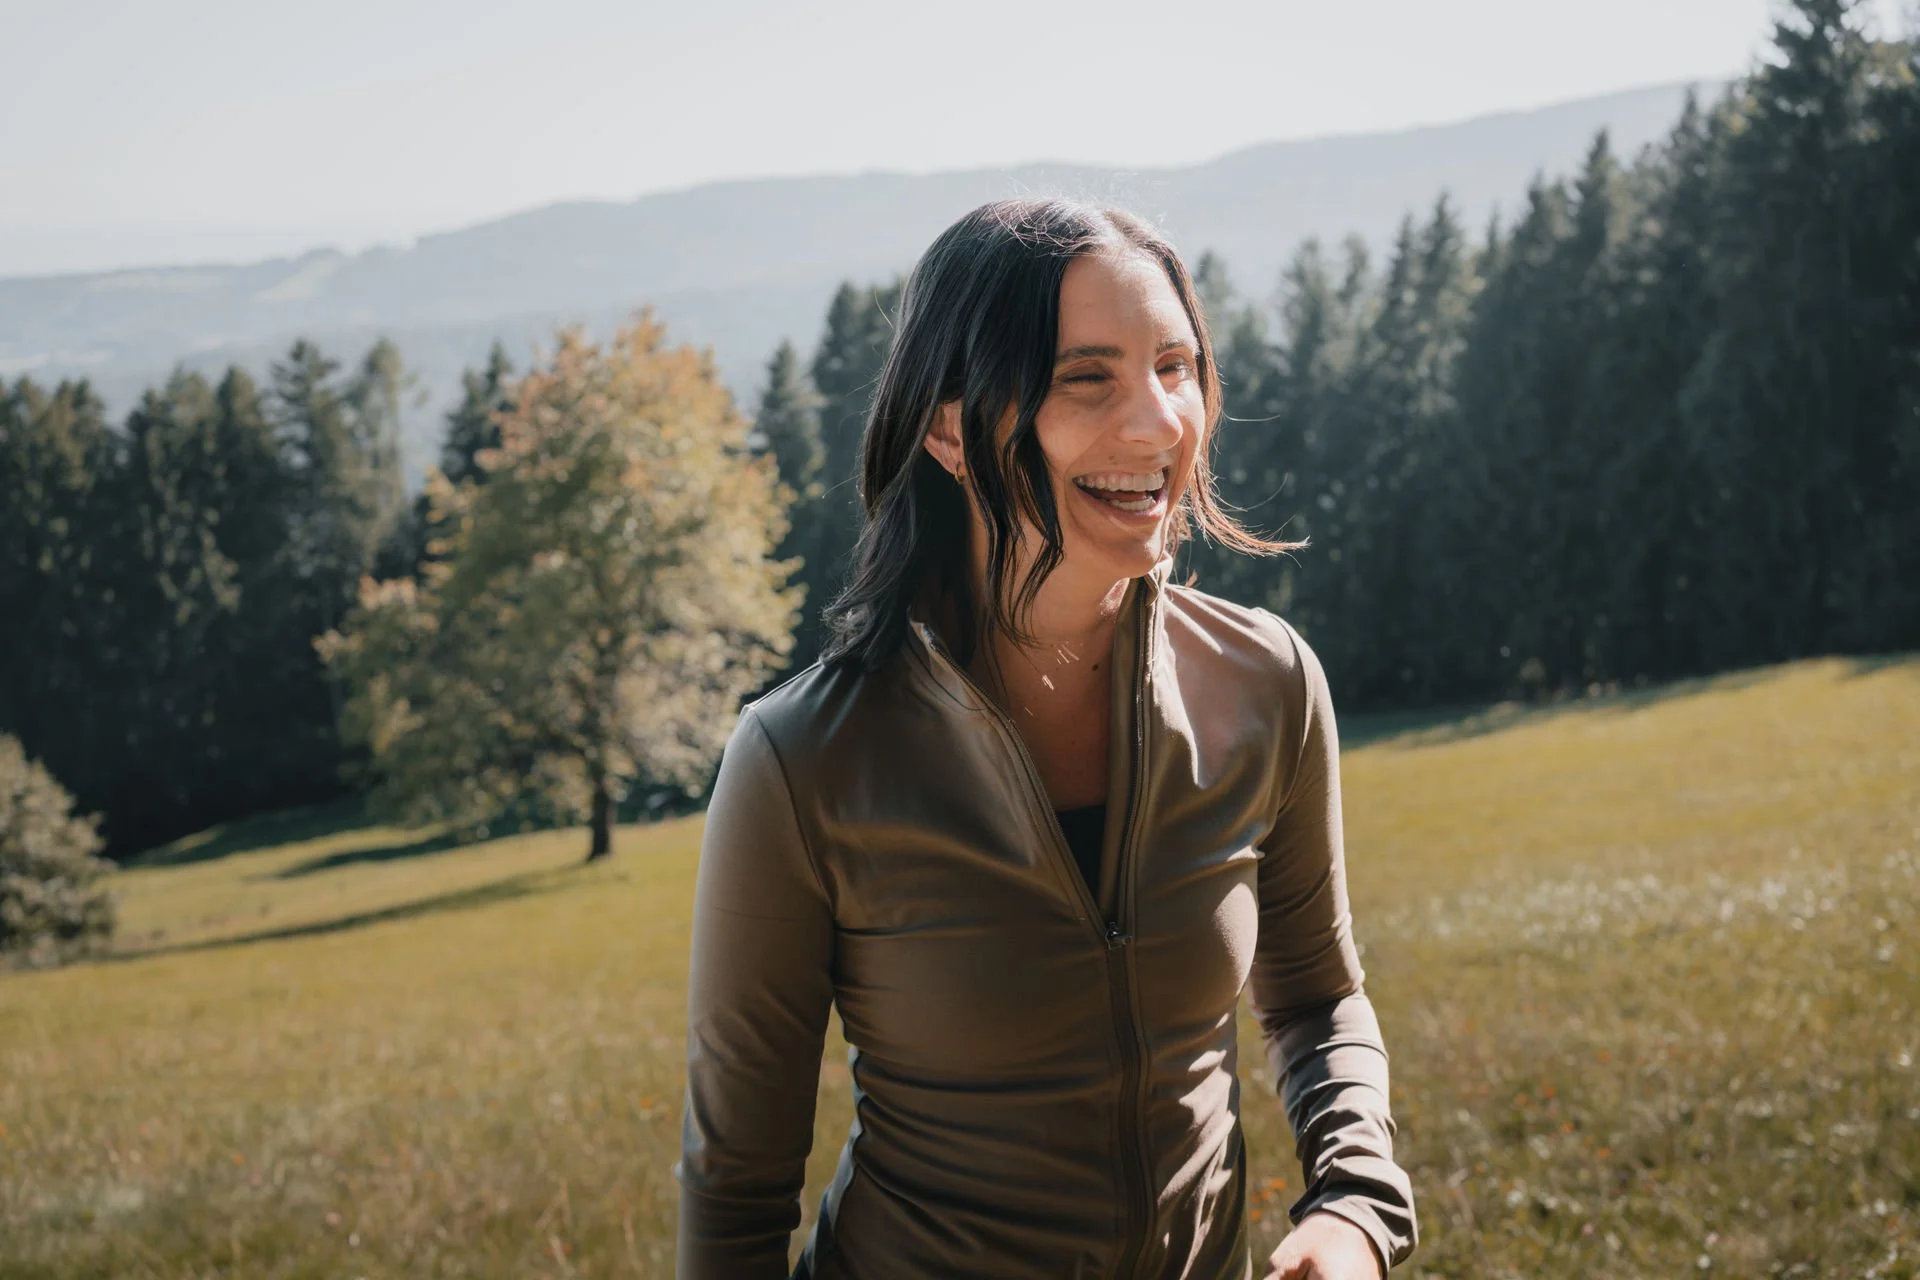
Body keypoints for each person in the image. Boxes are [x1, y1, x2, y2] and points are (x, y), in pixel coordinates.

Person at [675, 198, 1417, 1279]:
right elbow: (737, 1195)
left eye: (1176, 366)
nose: (1160, 421)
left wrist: (1353, 1206)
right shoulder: (803, 762)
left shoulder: (1266, 681)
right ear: (946, 429)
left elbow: (1317, 998)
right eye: (1088, 378)